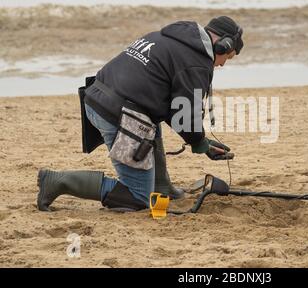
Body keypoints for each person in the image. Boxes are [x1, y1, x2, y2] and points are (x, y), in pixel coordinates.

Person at [37, 16, 243, 211]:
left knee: (150, 120)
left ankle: (162, 186)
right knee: (138, 197)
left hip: (97, 97)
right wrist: (199, 143)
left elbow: (173, 109)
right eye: (228, 56)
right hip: (118, 113)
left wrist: (201, 141)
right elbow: (185, 115)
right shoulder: (196, 62)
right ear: (222, 45)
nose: (223, 63)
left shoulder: (169, 37)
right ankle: (57, 181)